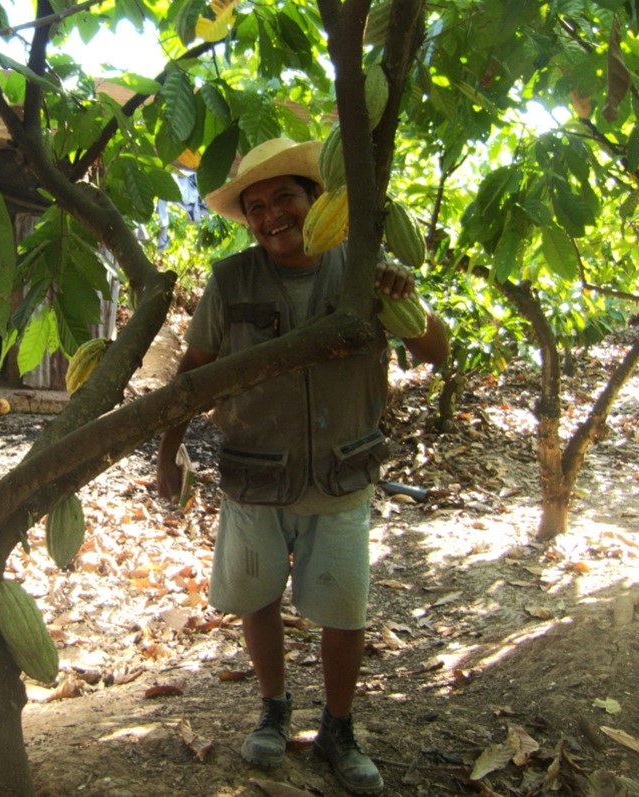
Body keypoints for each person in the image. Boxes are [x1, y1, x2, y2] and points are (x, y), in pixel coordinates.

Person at [155, 137, 449, 795]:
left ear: (317, 200)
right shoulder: (233, 281)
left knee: (343, 609)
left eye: (283, 197)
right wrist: (167, 452)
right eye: (255, 207)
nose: (270, 217)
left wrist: (406, 298)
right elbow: (193, 374)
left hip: (342, 471)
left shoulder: (363, 270)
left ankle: (339, 728)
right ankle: (274, 708)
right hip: (256, 470)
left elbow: (436, 350)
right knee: (257, 597)